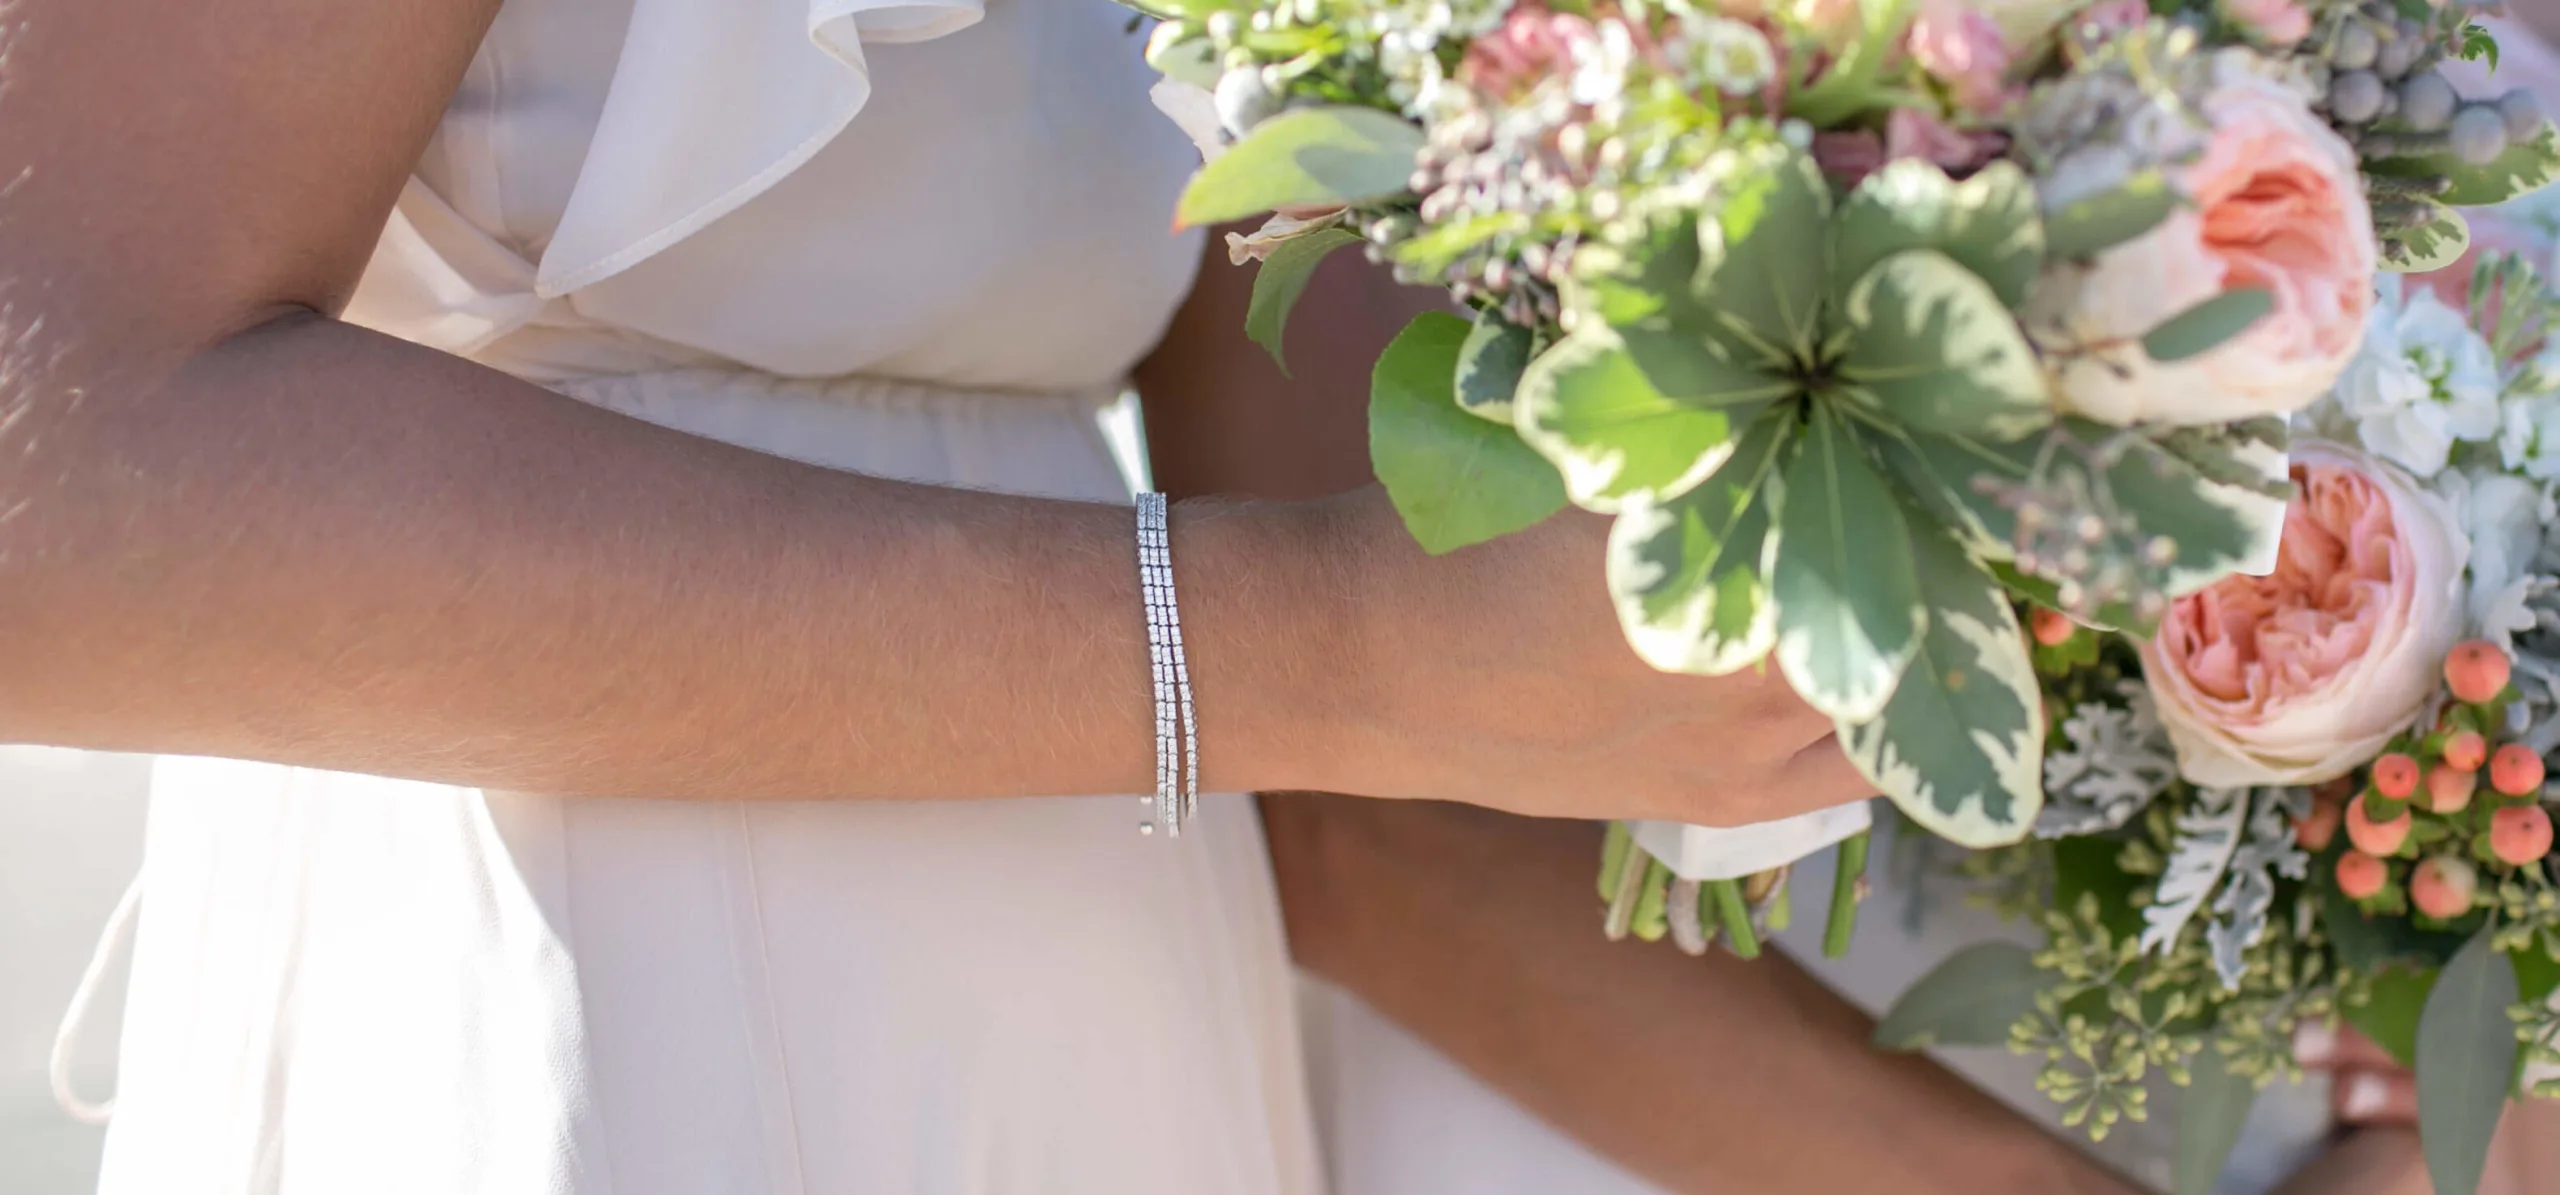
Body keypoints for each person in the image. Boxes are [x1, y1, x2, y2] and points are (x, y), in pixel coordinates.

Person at [5, 1, 2143, 1193]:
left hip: (1110, 1000)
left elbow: (1378, 743)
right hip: (599, 974)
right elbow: (48, 497)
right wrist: (1326, 658)